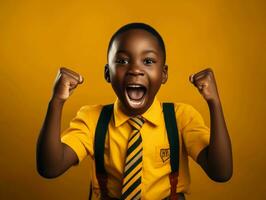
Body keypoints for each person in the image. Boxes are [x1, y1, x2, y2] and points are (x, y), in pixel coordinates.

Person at [36, 23, 233, 200]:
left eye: (148, 61)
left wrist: (214, 103)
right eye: (122, 61)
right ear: (108, 74)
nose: (135, 70)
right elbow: (50, 167)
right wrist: (56, 102)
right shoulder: (92, 119)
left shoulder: (181, 118)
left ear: (163, 74)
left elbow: (221, 172)